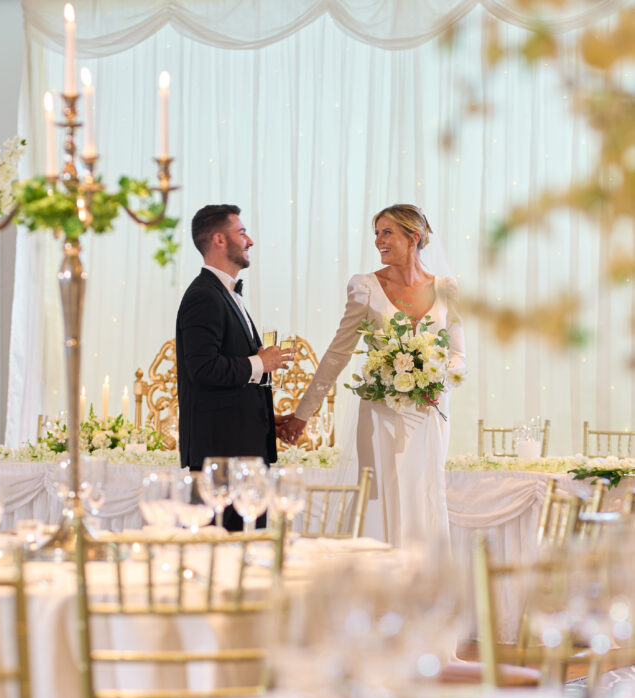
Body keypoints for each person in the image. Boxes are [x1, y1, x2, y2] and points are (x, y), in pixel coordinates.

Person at [280, 204, 465, 546]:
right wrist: (303, 414)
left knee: (424, 497)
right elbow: (338, 353)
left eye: (386, 232)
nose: (378, 240)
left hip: (429, 416)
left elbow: (458, 357)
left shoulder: (446, 289)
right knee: (380, 498)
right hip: (380, 416)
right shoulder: (365, 287)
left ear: (414, 237)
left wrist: (437, 377)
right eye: (376, 233)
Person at [175, 204, 293, 529]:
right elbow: (203, 369)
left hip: (240, 449)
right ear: (219, 240)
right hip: (220, 457)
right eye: (241, 232)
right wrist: (261, 362)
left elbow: (228, 383)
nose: (250, 240)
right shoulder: (203, 296)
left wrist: (265, 418)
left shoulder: (224, 294)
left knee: (243, 551)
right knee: (220, 555)